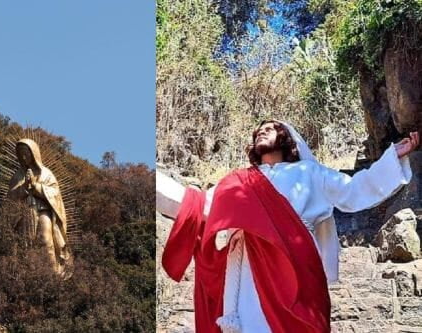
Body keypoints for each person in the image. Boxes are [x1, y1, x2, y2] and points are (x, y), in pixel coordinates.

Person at [156, 120, 419, 333]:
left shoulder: (310, 173)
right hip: (249, 272)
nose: (262, 131)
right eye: (259, 130)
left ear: (287, 139)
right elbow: (198, 206)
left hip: (299, 267)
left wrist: (392, 158)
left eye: (270, 128)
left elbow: (355, 190)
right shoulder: (237, 182)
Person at [8, 139, 73, 279]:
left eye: (26, 153)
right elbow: (10, 198)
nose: (24, 157)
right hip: (24, 213)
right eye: (21, 154)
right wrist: (24, 186)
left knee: (45, 239)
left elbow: (55, 194)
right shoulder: (17, 176)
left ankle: (52, 275)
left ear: (34, 153)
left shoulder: (46, 174)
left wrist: (36, 186)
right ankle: (27, 275)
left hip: (43, 211)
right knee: (25, 243)